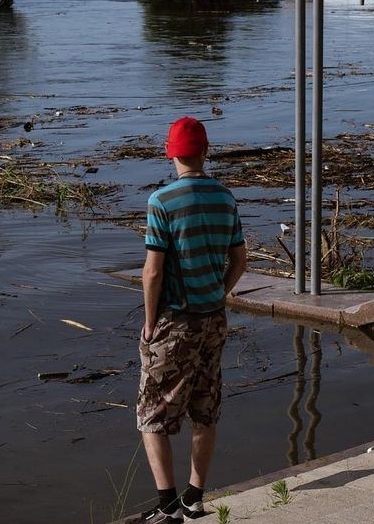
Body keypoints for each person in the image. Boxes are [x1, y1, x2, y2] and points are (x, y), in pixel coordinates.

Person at [135, 116, 248, 524]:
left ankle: (167, 506)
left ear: (171, 153)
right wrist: (220, 291)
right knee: (206, 407)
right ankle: (195, 498)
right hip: (213, 319)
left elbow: (153, 272)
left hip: (175, 321)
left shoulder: (161, 202)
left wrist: (150, 324)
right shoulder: (225, 197)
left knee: (153, 412)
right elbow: (239, 260)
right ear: (206, 151)